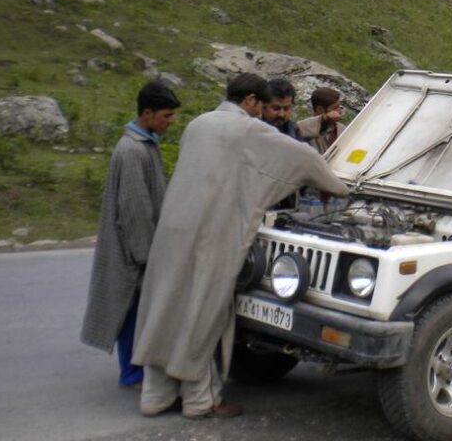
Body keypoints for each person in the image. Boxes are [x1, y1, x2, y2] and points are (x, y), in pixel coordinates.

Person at [132, 72, 348, 420]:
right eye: (263, 107)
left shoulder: (198, 124)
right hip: (210, 235)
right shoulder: (248, 129)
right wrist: (339, 188)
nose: (264, 114)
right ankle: (201, 401)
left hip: (172, 230)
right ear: (249, 101)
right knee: (203, 316)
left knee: (166, 310)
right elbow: (304, 160)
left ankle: (156, 397)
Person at [80, 81, 181, 389]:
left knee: (137, 310)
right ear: (147, 114)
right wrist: (147, 258)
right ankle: (132, 375)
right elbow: (135, 213)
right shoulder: (132, 151)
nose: (170, 122)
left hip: (138, 249)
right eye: (166, 116)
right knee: (131, 310)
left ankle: (137, 370)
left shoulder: (145, 145)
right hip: (132, 252)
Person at [296, 86, 346, 155]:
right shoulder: (305, 129)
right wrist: (325, 118)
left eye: (339, 107)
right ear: (320, 109)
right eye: (335, 108)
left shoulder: (342, 129)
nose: (339, 111)